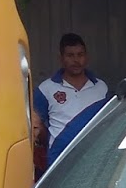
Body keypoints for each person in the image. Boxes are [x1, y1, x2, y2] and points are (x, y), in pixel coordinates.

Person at [33, 33, 108, 169]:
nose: (76, 60)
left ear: (86, 57)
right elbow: (35, 125)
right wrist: (55, 141)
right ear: (61, 58)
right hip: (59, 160)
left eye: (80, 55)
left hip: (95, 158)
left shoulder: (101, 87)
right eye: (70, 55)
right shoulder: (46, 89)